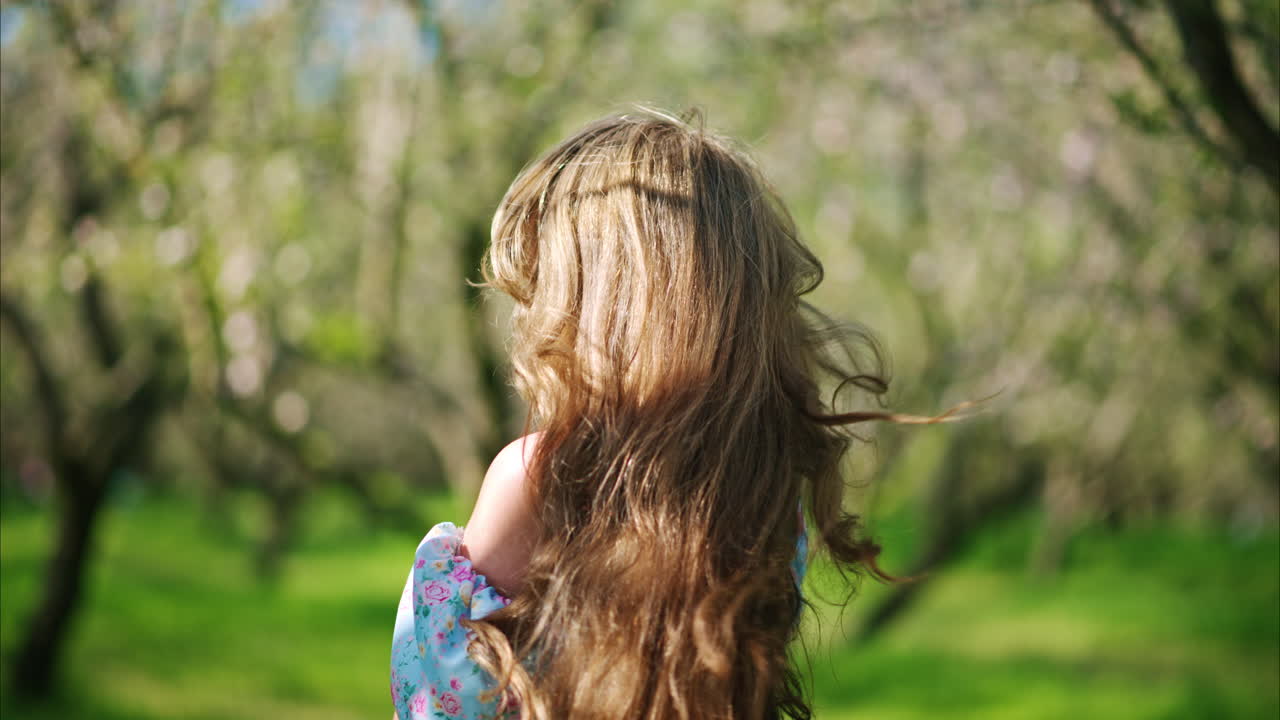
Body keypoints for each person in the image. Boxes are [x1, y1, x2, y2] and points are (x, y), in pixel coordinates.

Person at [391, 107, 939, 720]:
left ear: (589, 307)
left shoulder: (540, 476)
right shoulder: (766, 492)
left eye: (540, 290)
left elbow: (447, 704)